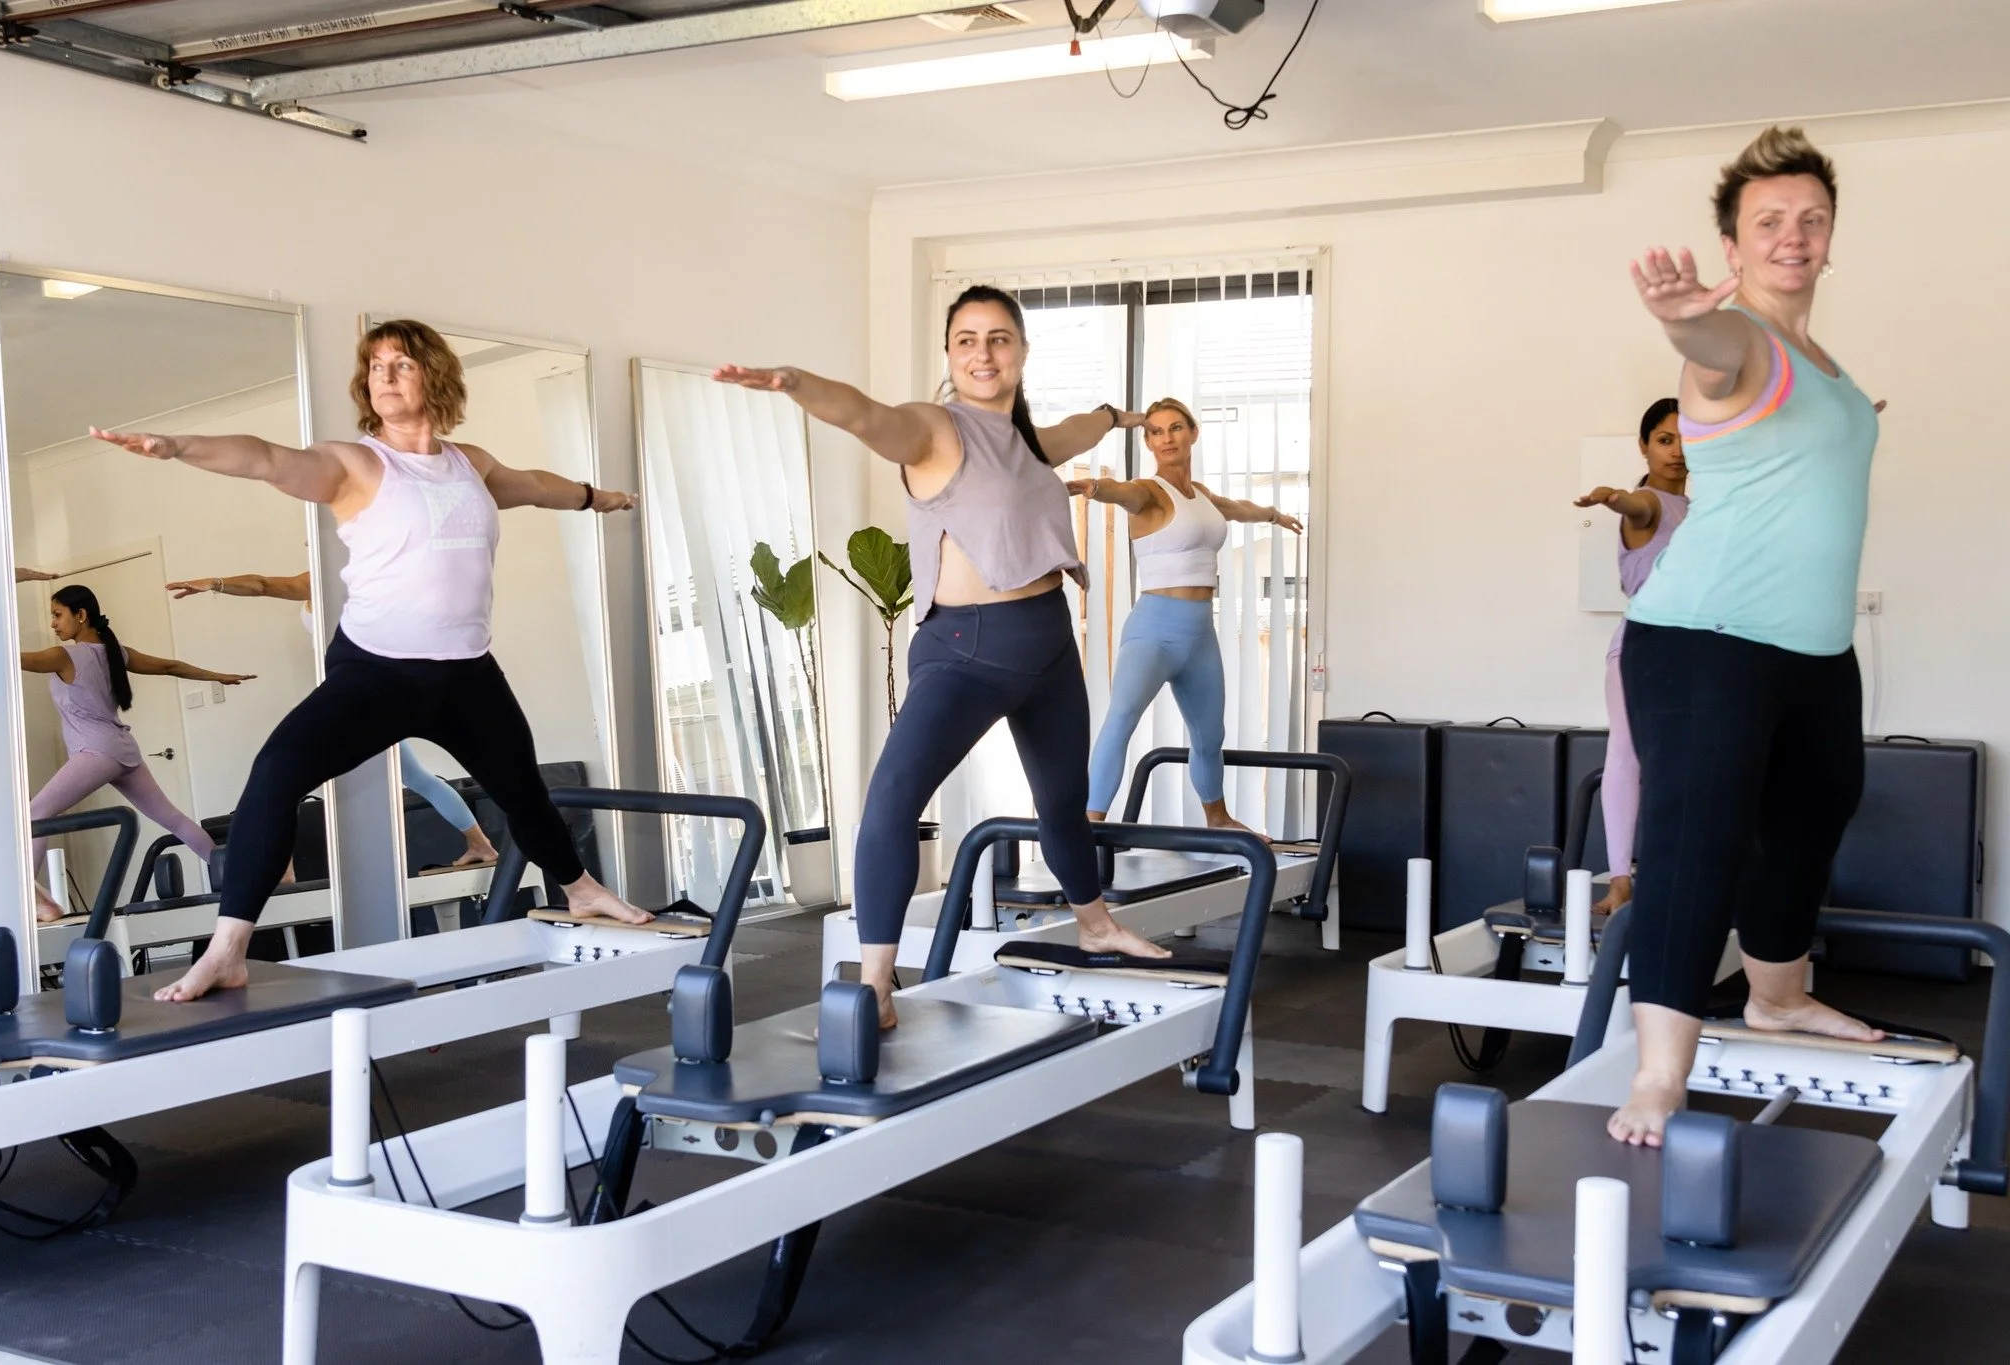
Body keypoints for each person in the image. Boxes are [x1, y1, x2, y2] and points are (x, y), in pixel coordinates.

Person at [93, 318, 644, 1002]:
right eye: (375, 364)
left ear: (433, 377)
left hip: (468, 672)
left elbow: (533, 484)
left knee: (522, 789)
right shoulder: (354, 464)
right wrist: (178, 446)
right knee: (275, 772)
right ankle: (228, 947)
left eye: (401, 363)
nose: (383, 374)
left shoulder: (469, 463)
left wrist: (597, 498)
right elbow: (265, 457)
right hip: (379, 671)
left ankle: (583, 891)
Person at [716, 283, 1170, 1029]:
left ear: (1021, 352)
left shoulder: (1026, 440)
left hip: (1049, 643)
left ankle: (1096, 921)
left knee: (1062, 803)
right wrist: (797, 385)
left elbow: (1079, 430)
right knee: (895, 795)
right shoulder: (934, 429)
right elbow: (867, 415)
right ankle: (876, 982)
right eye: (967, 339)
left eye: (998, 338)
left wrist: (1121, 417)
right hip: (968, 650)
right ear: (949, 354)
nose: (983, 352)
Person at [1612, 126, 1883, 1146]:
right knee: (1698, 838)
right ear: (1731, 247)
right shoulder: (1744, 343)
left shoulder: (1821, 361)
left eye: (1809, 220)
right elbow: (1714, 359)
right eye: (1767, 221)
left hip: (1812, 652)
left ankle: (1775, 995)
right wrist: (1688, 324)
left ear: (1827, 238)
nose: (1792, 235)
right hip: (1702, 640)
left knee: (1814, 817)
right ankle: (1657, 1074)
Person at [1066, 397, 1303, 835]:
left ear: (1193, 432)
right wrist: (1098, 489)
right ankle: (1086, 826)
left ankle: (1218, 819)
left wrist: (1273, 515)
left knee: (1210, 735)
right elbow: (1126, 493)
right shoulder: (1150, 491)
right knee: (1120, 720)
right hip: (1154, 630)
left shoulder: (1203, 496)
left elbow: (1235, 508)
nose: (1166, 438)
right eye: (1155, 432)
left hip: (1199, 635)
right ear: (1149, 442)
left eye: (1175, 428)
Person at [166, 569, 501, 869]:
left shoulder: (333, 574)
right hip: (369, 694)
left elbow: (263, 584)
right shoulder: (357, 576)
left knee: (280, 775)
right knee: (413, 776)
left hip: (359, 696)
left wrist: (214, 583)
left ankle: (282, 873)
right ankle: (481, 844)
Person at [19, 582, 253, 923]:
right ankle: (242, 876)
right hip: (122, 751)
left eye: (57, 615)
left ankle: (36, 902)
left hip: (96, 752)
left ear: (80, 615)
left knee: (34, 815)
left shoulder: (64, 656)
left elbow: (13, 658)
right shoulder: (117, 652)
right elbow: (170, 667)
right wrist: (217, 676)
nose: (53, 624)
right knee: (173, 819)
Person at [1572, 398, 1689, 914]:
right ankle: (1620, 879)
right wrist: (1616, 498)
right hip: (1643, 649)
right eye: (1665, 439)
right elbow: (1639, 507)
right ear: (1644, 446)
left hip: (1695, 654)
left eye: (1689, 439)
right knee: (1627, 753)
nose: (1678, 451)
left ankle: (1674, 873)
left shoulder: (1699, 510)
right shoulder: (1650, 502)